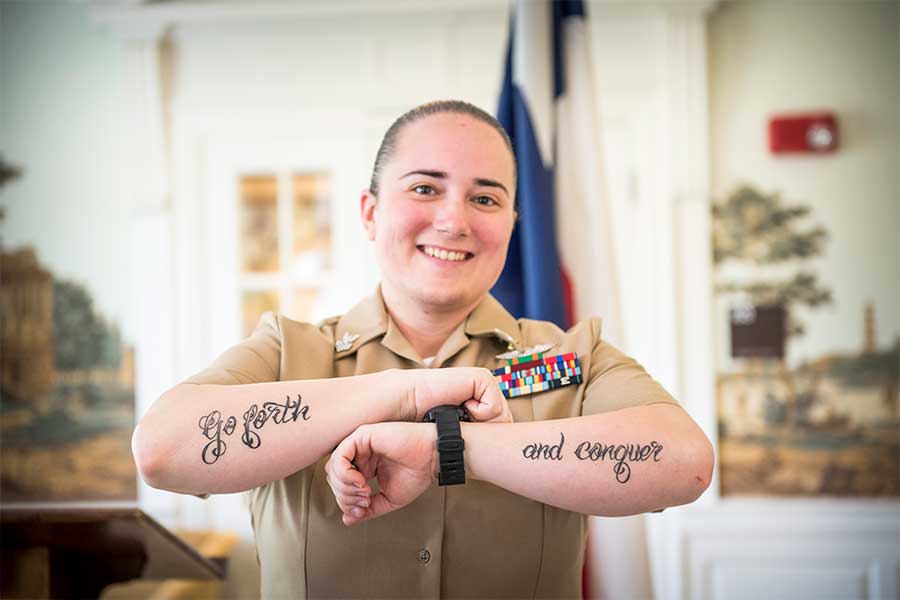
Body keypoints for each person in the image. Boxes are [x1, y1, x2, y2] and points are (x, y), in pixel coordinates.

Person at [132, 99, 714, 599]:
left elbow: (685, 464)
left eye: (484, 199)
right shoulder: (286, 354)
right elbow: (162, 450)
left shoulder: (569, 359)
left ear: (512, 225)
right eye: (425, 188)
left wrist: (446, 451)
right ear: (370, 211)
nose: (453, 220)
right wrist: (407, 390)